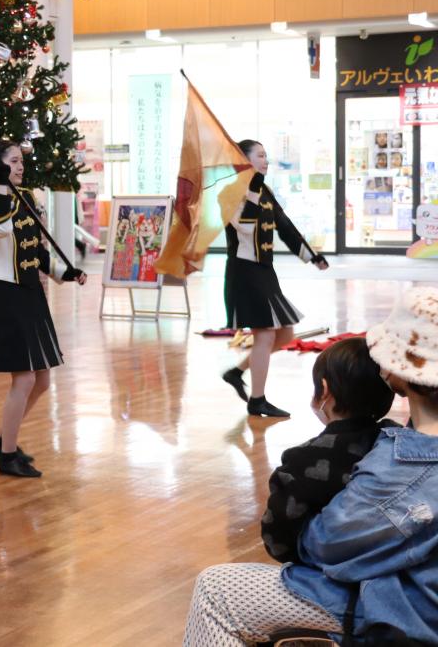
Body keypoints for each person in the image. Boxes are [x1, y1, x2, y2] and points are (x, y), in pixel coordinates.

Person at [184, 287, 438, 646]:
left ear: (401, 369)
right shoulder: (401, 440)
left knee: (218, 590)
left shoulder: (406, 465)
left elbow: (328, 546)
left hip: (411, 609)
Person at [0, 141, 85, 479]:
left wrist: (66, 272)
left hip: (31, 295)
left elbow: (35, 251)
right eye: (12, 161)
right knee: (23, 378)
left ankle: (3, 440)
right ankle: (7, 455)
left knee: (42, 380)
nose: (20, 167)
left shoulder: (28, 199)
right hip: (6, 297)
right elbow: (0, 229)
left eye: (21, 161)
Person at [261, 336, 397, 564]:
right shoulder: (397, 441)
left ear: (324, 390)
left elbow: (277, 539)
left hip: (327, 576)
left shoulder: (302, 460)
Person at [219, 140, 328, 418]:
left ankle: (236, 372)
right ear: (244, 161)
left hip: (265, 271)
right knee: (266, 335)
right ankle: (258, 400)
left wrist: (312, 256)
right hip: (244, 271)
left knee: (285, 334)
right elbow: (246, 227)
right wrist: (251, 184)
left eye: (266, 155)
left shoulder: (263, 189)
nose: (266, 161)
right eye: (260, 156)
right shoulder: (231, 193)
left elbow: (284, 224)